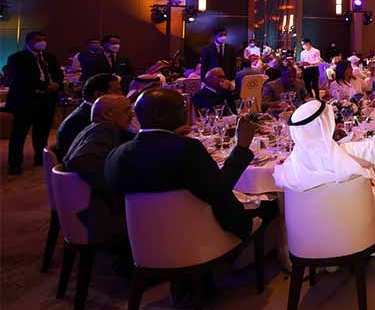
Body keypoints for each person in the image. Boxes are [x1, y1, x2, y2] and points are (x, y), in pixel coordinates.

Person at [106, 88, 274, 240]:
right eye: (182, 107)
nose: (186, 112)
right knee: (270, 206)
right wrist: (242, 147)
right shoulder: (187, 149)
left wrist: (171, 135)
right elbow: (221, 188)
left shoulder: (116, 155)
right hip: (198, 237)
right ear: (163, 115)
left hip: (141, 241)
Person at [274, 100, 375, 229]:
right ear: (324, 123)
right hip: (357, 226)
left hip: (311, 233)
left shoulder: (291, 165)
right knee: (368, 171)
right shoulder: (345, 153)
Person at [63, 94, 135, 246]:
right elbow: (82, 160)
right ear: (107, 114)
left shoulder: (94, 128)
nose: (132, 114)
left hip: (79, 205)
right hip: (97, 214)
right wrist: (115, 185)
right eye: (127, 110)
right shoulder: (105, 129)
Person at [5, 32, 64, 175]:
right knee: (19, 133)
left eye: (44, 39)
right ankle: (15, 163)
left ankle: (40, 158)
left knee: (42, 132)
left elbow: (58, 74)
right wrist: (45, 86)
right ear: (28, 42)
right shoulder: (17, 58)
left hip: (46, 100)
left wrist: (57, 84)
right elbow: (21, 79)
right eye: (38, 40)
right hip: (25, 101)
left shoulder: (50, 57)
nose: (42, 42)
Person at [53, 73, 122, 161]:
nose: (121, 94)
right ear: (98, 95)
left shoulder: (88, 111)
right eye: (117, 91)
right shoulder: (85, 119)